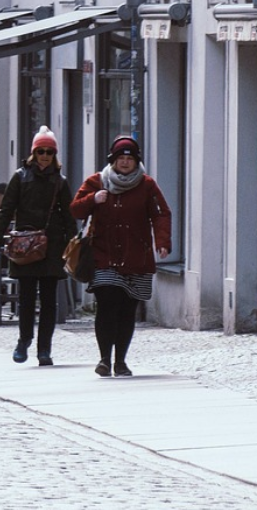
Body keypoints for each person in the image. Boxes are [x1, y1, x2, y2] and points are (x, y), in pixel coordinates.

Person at [70, 136, 172, 378]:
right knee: (106, 304)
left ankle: (121, 361)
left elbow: (161, 214)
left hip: (136, 255)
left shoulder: (147, 185)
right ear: (112, 160)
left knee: (127, 309)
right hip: (104, 254)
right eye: (120, 158)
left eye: (130, 159)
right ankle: (104, 359)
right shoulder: (96, 181)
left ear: (137, 162)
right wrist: (93, 199)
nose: (125, 163)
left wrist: (162, 242)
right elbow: (75, 209)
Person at [0, 126, 78, 366]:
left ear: (54, 154)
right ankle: (24, 340)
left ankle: (44, 349)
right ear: (34, 153)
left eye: (49, 152)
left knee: (49, 301)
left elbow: (69, 216)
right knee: (26, 298)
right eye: (41, 151)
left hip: (52, 245)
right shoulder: (20, 177)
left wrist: (74, 245)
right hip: (25, 245)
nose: (45, 156)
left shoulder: (60, 181)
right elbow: (6, 210)